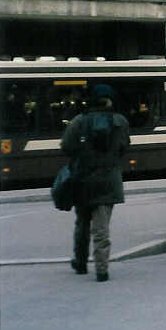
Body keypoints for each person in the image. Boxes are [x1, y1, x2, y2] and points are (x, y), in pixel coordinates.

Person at [61, 84, 129, 282]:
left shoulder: (79, 122)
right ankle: (101, 269)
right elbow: (124, 147)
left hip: (82, 180)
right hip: (109, 181)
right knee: (101, 227)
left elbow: (66, 147)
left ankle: (80, 263)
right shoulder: (120, 121)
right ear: (110, 99)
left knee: (82, 224)